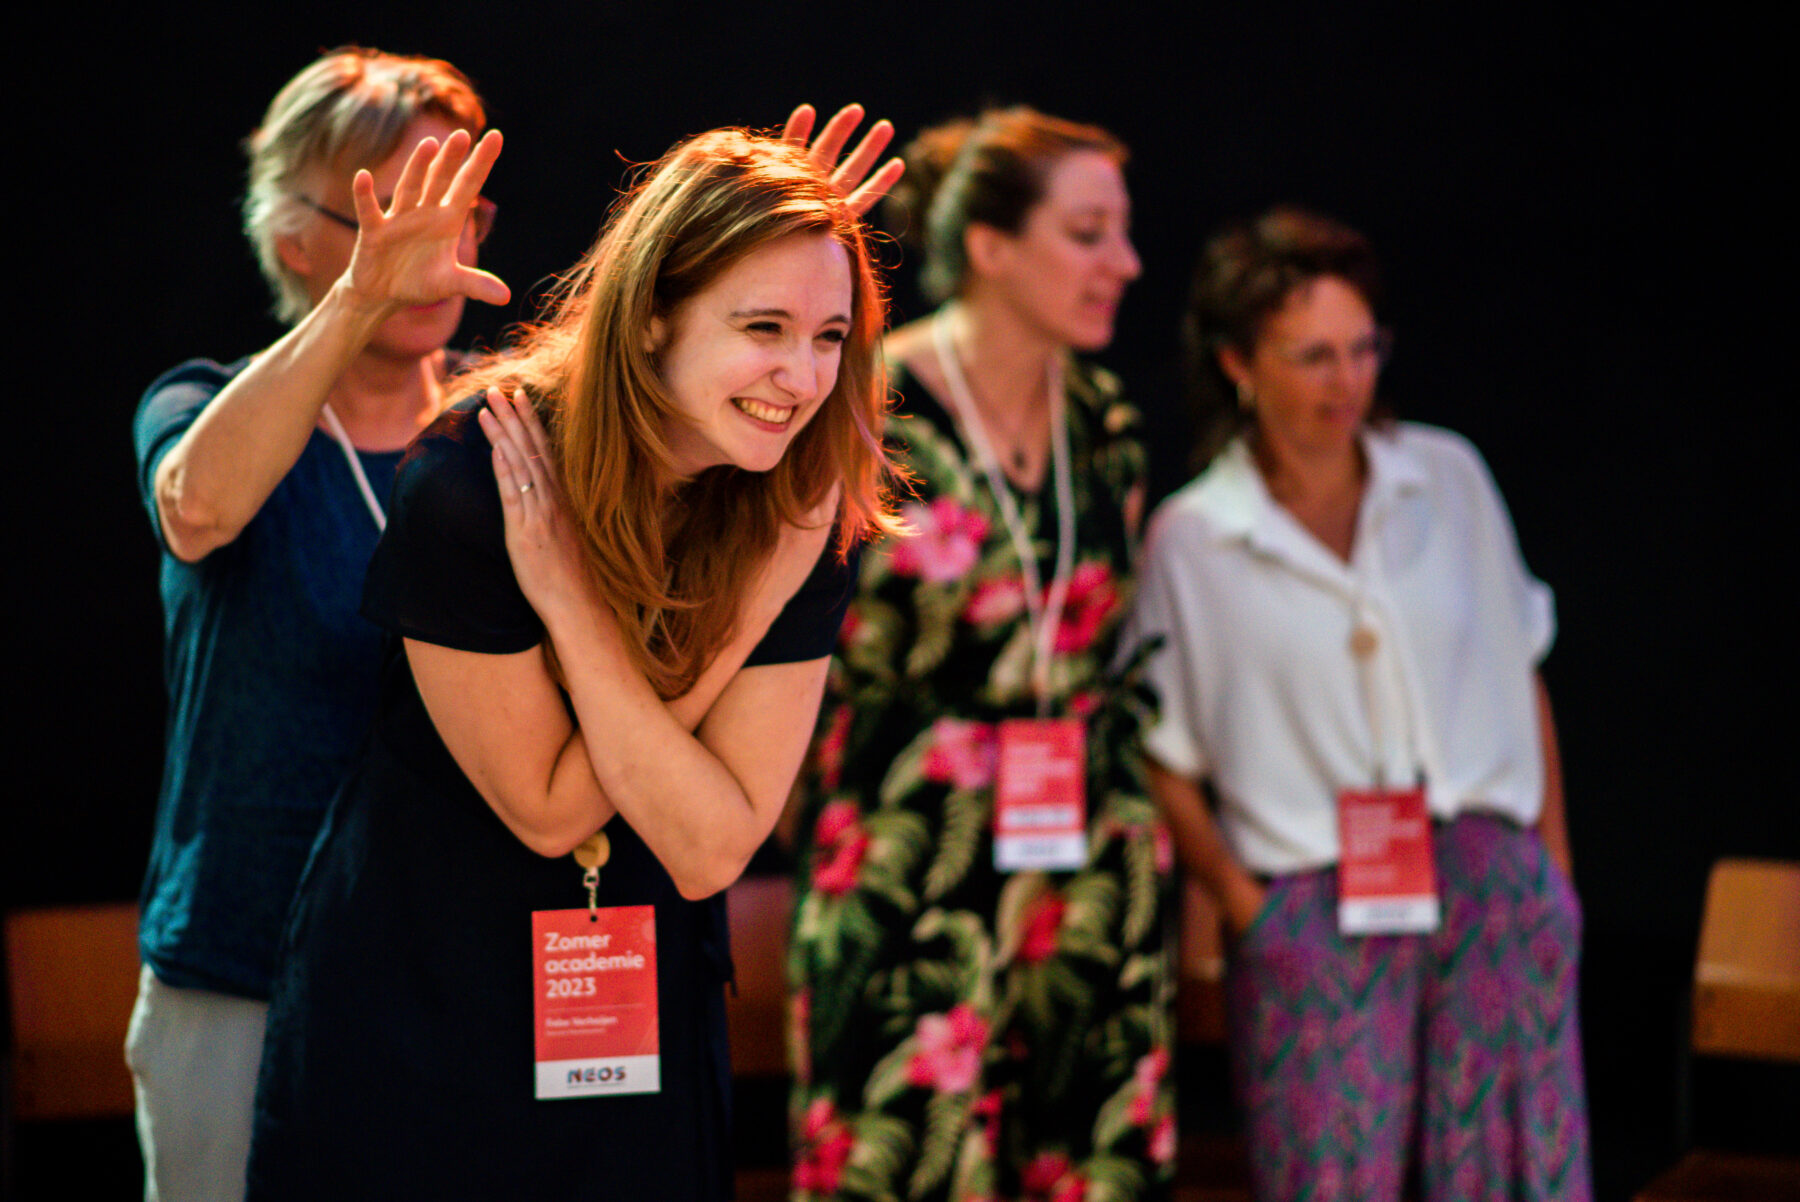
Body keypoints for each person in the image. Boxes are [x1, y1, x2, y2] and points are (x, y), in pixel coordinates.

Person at [242, 114, 903, 1201]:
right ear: (650, 320)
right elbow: (551, 807)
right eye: (763, 326)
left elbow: (705, 846)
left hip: (631, 1014)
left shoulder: (791, 514)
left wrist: (645, 611)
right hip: (426, 1004)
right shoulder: (473, 479)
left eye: (830, 336)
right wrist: (698, 621)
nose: (800, 375)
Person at [1128, 207, 1589, 1201]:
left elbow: (1524, 666)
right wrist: (1248, 905)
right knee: (1329, 1177)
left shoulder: (1447, 475)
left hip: (1487, 875)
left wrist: (1551, 869)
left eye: (1362, 347)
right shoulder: (1197, 535)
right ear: (1239, 364)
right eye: (1312, 355)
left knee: (1518, 1175)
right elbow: (1157, 743)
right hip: (1315, 893)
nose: (1347, 379)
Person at [127, 48, 504, 1202]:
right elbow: (199, 507)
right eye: (398, 210)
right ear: (299, 239)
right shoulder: (197, 397)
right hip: (244, 971)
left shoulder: (510, 424)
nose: (438, 245)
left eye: (461, 207)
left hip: (452, 973)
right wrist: (361, 301)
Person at [786, 108, 1175, 1202]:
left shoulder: (1106, 422)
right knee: (900, 1161)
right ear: (993, 247)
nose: (1126, 263)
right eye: (1090, 233)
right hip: (912, 850)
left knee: (1092, 1164)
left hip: (1090, 855)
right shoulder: (863, 406)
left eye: (1123, 233)